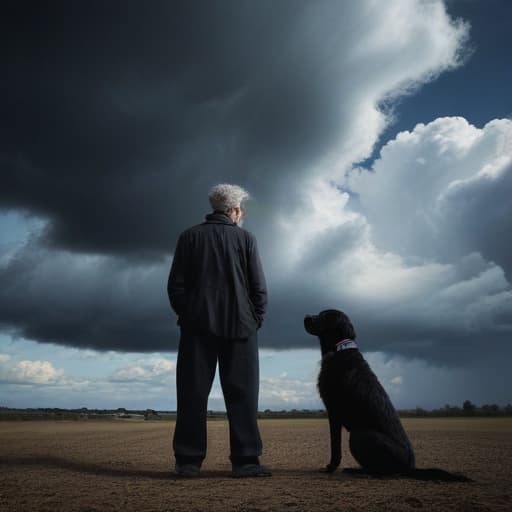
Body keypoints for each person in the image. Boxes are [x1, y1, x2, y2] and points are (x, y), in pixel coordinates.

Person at [167, 183, 270, 478]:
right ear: (235, 210)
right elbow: (258, 287)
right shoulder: (246, 238)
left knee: (191, 394)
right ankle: (246, 461)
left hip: (197, 329)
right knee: (243, 395)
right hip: (241, 328)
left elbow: (175, 286)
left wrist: (189, 315)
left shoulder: (189, 237)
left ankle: (188, 462)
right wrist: (256, 319)